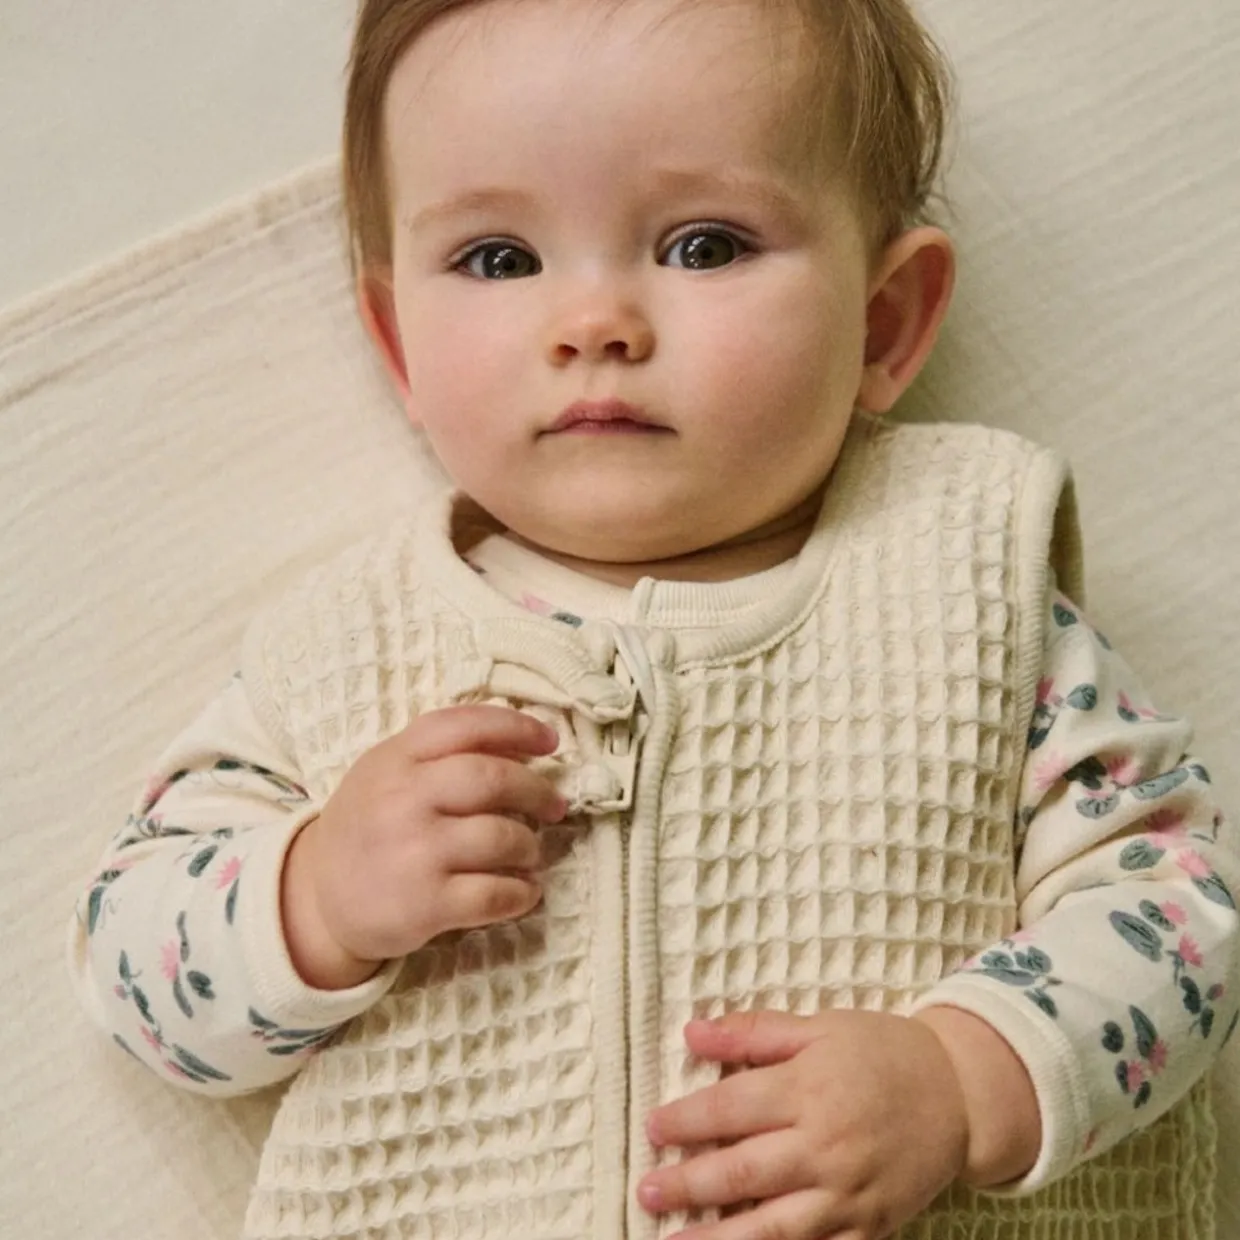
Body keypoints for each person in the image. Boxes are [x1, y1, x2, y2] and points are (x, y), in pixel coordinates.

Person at [68, 0, 1238, 1236]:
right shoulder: (340, 648)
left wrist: (961, 1076)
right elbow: (127, 963)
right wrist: (311, 896)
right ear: (402, 346)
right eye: (499, 260)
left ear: (881, 323)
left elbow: (1180, 907)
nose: (596, 325)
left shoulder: (965, 591)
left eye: (703, 245)